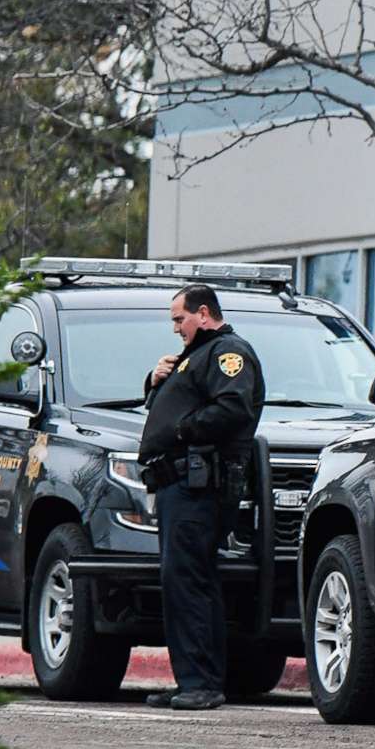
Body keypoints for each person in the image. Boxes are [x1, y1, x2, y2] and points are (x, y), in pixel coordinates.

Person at [136, 283, 265, 711]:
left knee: (188, 581)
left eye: (180, 319)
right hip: (179, 486)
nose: (176, 328)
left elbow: (233, 409)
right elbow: (177, 402)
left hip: (199, 487)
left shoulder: (228, 353)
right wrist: (154, 381)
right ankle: (193, 678)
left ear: (204, 313)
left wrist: (181, 430)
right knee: (186, 581)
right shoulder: (196, 355)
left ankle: (201, 683)